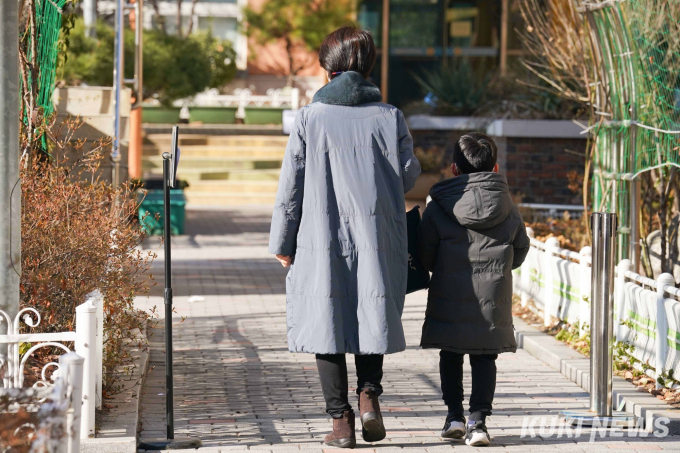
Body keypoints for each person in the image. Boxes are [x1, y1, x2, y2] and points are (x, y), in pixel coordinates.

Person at [268, 26, 421, 449]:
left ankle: (341, 424)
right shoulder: (390, 117)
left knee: (326, 322)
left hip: (322, 236)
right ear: (368, 65)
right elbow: (409, 175)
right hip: (377, 235)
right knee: (371, 312)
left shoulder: (309, 118)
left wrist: (283, 243)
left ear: (329, 65)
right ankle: (370, 396)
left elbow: (291, 187)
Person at [417, 132, 529, 446]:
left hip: (448, 292)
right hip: (493, 297)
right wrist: (500, 271)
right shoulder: (507, 205)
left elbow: (426, 252)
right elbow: (521, 247)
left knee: (450, 354)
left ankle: (454, 416)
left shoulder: (439, 206)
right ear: (495, 168)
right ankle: (478, 422)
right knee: (484, 358)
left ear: (454, 169)